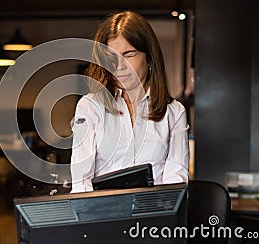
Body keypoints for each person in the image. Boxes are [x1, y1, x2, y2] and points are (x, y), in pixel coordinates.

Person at [70, 11, 189, 193]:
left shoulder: (174, 112)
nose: (119, 66)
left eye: (129, 54)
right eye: (111, 57)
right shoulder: (89, 107)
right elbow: (81, 183)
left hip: (155, 214)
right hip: (104, 214)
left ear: (149, 57)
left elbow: (176, 183)